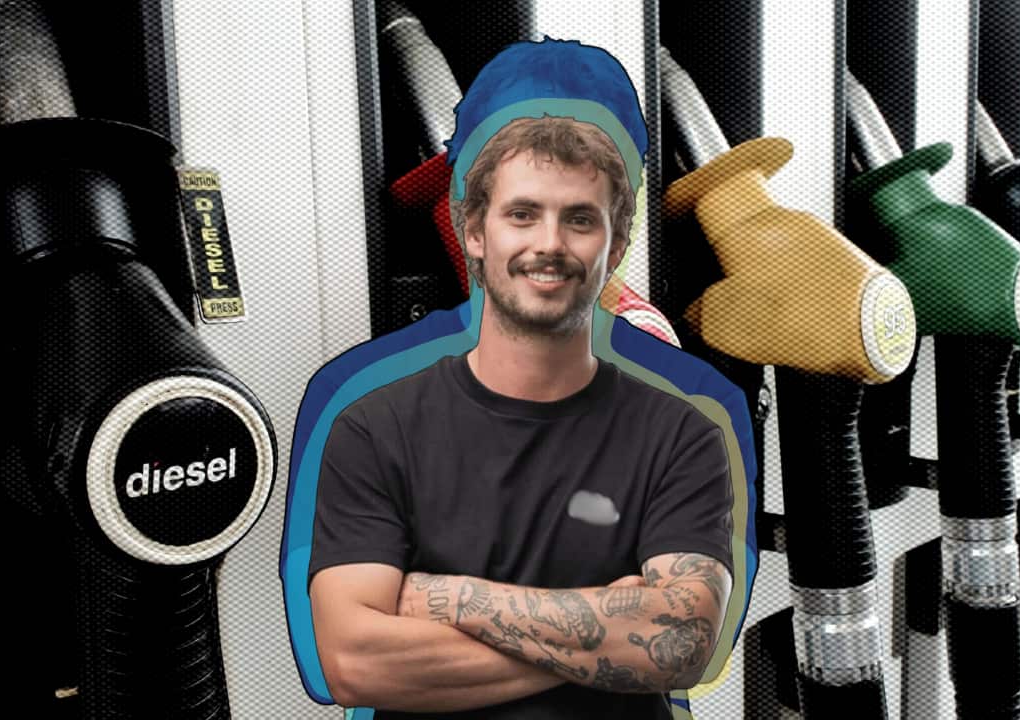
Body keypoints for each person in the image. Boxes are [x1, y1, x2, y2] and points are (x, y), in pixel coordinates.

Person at [308, 39, 734, 719]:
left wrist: (448, 601)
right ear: (472, 227)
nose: (549, 245)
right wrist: (604, 642)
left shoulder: (680, 432)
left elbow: (681, 645)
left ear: (617, 242)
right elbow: (354, 663)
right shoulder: (371, 427)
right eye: (522, 212)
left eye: (580, 218)